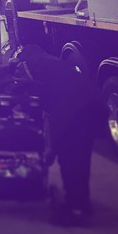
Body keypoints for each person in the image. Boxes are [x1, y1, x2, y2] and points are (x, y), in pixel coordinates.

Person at [14, 43, 106, 224]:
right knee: (81, 158)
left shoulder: (27, 65)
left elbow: (31, 101)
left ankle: (75, 211)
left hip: (73, 111)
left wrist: (49, 148)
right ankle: (82, 204)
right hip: (96, 105)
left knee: (70, 160)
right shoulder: (52, 62)